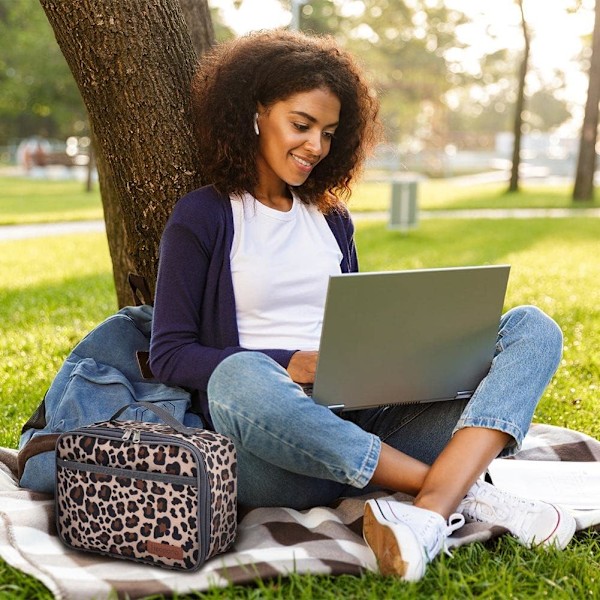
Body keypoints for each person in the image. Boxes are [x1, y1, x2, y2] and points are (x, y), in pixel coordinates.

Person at [149, 29, 576, 582]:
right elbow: (171, 353)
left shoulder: (332, 218)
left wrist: (403, 358)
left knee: (531, 327)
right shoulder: (204, 216)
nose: (314, 147)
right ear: (255, 113)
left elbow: (356, 320)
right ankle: (452, 494)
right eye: (300, 125)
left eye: (327, 133)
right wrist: (291, 363)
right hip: (272, 445)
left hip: (369, 422)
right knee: (239, 373)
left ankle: (424, 516)